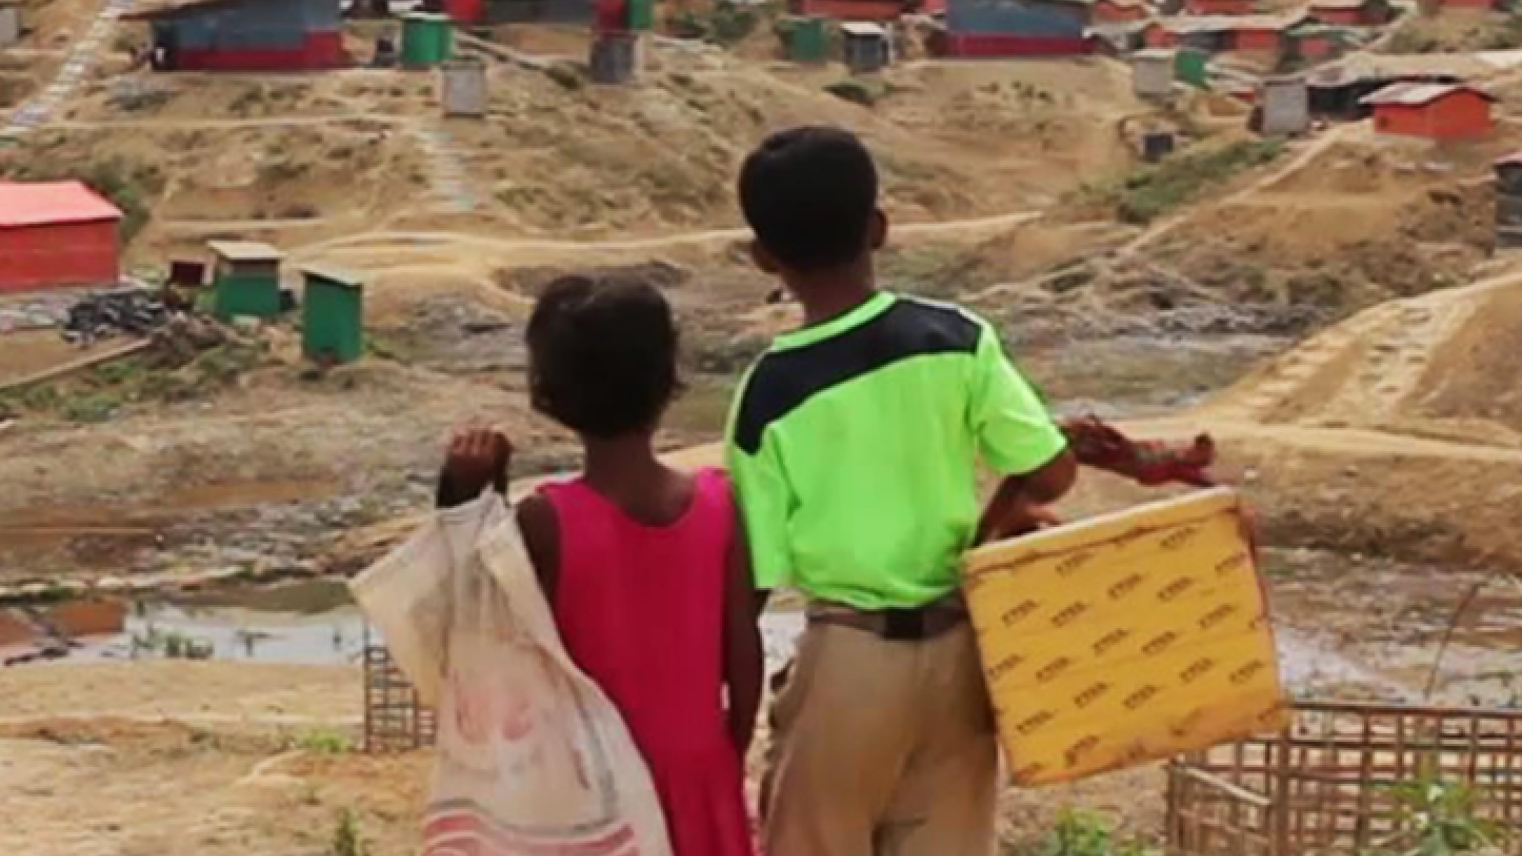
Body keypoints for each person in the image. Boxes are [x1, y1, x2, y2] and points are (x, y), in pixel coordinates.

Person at [728, 126, 1078, 856]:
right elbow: (1051, 470)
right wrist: (988, 532)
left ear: (763, 256)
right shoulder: (956, 338)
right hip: (960, 660)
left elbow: (752, 583)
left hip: (847, 666)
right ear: (878, 228)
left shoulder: (768, 394)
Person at [438, 274, 763, 856]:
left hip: (593, 794)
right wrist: (720, 759)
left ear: (551, 393)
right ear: (668, 380)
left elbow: (479, 635)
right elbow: (744, 657)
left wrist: (467, 494)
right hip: (700, 776)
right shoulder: (721, 503)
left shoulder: (548, 522)